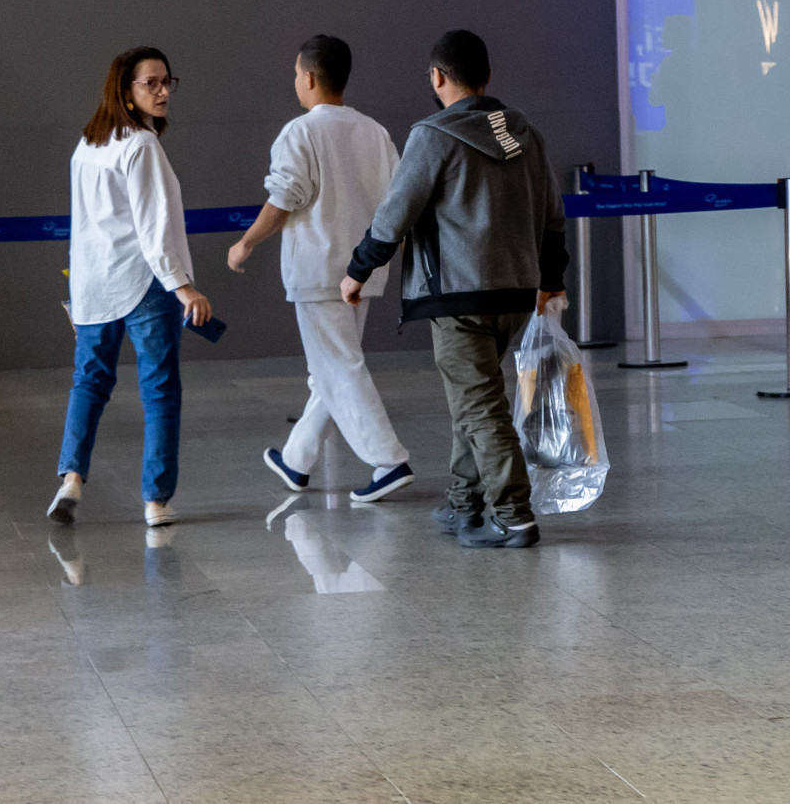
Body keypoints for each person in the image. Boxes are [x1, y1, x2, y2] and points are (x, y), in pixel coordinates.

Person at [341, 30, 567, 549]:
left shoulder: (433, 135)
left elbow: (395, 212)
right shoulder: (525, 135)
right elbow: (553, 218)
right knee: (475, 397)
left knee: (480, 407)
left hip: (459, 296)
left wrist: (358, 270)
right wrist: (551, 283)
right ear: (487, 77)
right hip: (516, 293)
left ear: (438, 77)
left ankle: (513, 515)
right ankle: (464, 503)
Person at [228, 36, 415, 502]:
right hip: (364, 269)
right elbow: (398, 200)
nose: (295, 80)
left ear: (309, 78)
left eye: (296, 73)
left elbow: (284, 199)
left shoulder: (300, 132)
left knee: (340, 367)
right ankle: (297, 459)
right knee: (331, 369)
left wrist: (246, 242)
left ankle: (389, 460)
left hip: (317, 271)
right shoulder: (375, 132)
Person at [48, 47, 213, 529]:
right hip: (146, 283)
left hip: (95, 283)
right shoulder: (141, 145)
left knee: (89, 382)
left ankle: (71, 478)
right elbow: (154, 228)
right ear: (125, 90)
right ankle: (156, 501)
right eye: (150, 83)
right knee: (160, 390)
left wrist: (79, 294)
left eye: (167, 82)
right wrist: (184, 287)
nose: (163, 92)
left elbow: (82, 228)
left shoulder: (88, 144)